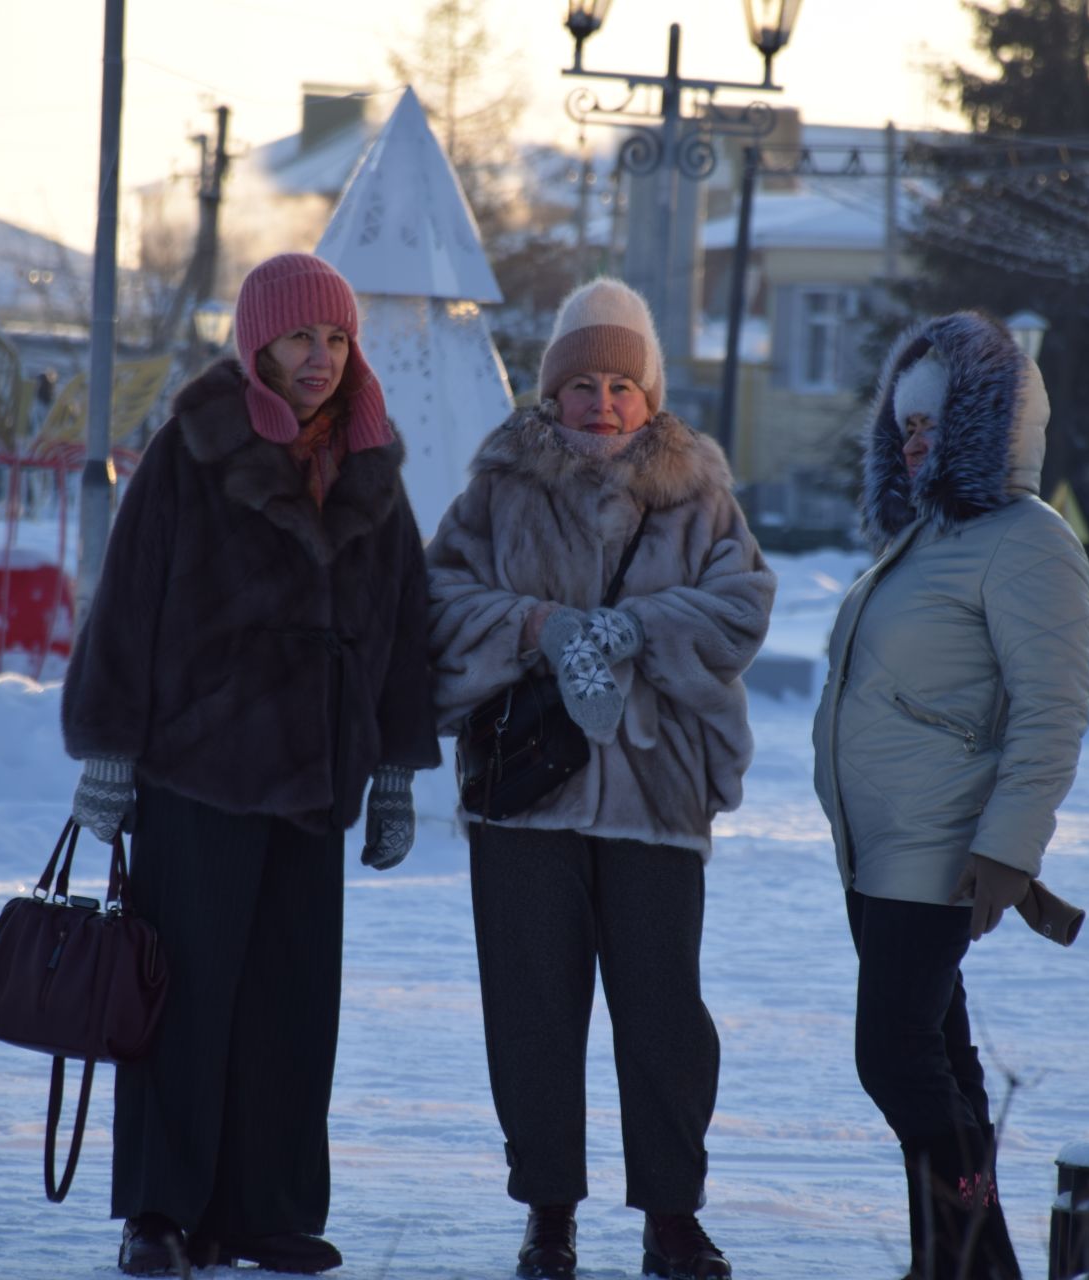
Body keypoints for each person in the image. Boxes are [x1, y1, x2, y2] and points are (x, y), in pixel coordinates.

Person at [59, 252, 440, 1277]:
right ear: (257, 342)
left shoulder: (371, 458)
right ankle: (161, 1211)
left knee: (291, 1002)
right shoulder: (193, 449)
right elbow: (126, 605)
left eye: (336, 339)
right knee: (184, 996)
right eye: (300, 338)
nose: (320, 358)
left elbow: (407, 624)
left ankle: (266, 1209)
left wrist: (397, 766)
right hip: (200, 772)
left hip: (318, 782)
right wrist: (108, 748)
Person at [427, 278, 776, 1280]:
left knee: (664, 1009)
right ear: (553, 394)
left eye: (625, 383)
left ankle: (672, 1212)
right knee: (532, 1005)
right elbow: (437, 594)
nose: (604, 402)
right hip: (526, 790)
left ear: (651, 395)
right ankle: (549, 1211)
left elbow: (743, 603)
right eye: (584, 383)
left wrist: (637, 628)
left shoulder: (699, 493)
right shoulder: (498, 488)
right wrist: (532, 627)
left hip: (657, 790)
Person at [810, 311, 1089, 1280]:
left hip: (940, 846)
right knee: (940, 1059)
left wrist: (1009, 850)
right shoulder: (930, 535)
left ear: (992, 422)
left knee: (893, 1058)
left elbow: (1052, 712)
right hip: (880, 844)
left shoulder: (1026, 540)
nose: (916, 438)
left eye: (938, 421)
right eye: (908, 423)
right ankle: (967, 1263)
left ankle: (966, 1252)